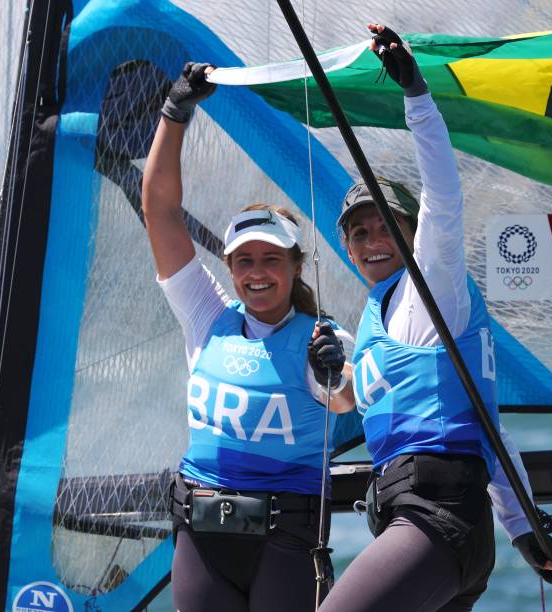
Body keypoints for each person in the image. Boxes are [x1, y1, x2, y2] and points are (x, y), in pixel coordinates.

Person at [319, 24, 552, 612]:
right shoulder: (379, 320)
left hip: (436, 525)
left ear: (412, 234)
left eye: (386, 225)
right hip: (439, 532)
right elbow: (488, 429)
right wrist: (522, 528)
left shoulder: (434, 289)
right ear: (349, 248)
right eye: (359, 232)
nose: (372, 239)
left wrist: (417, 95)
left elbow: (443, 198)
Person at [142, 61, 357, 612]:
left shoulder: (321, 336)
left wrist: (337, 372)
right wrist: (175, 113)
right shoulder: (207, 315)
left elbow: (345, 397)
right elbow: (160, 210)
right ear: (230, 268)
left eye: (270, 259)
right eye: (244, 262)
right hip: (201, 531)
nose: (257, 272)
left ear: (295, 266)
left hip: (287, 539)